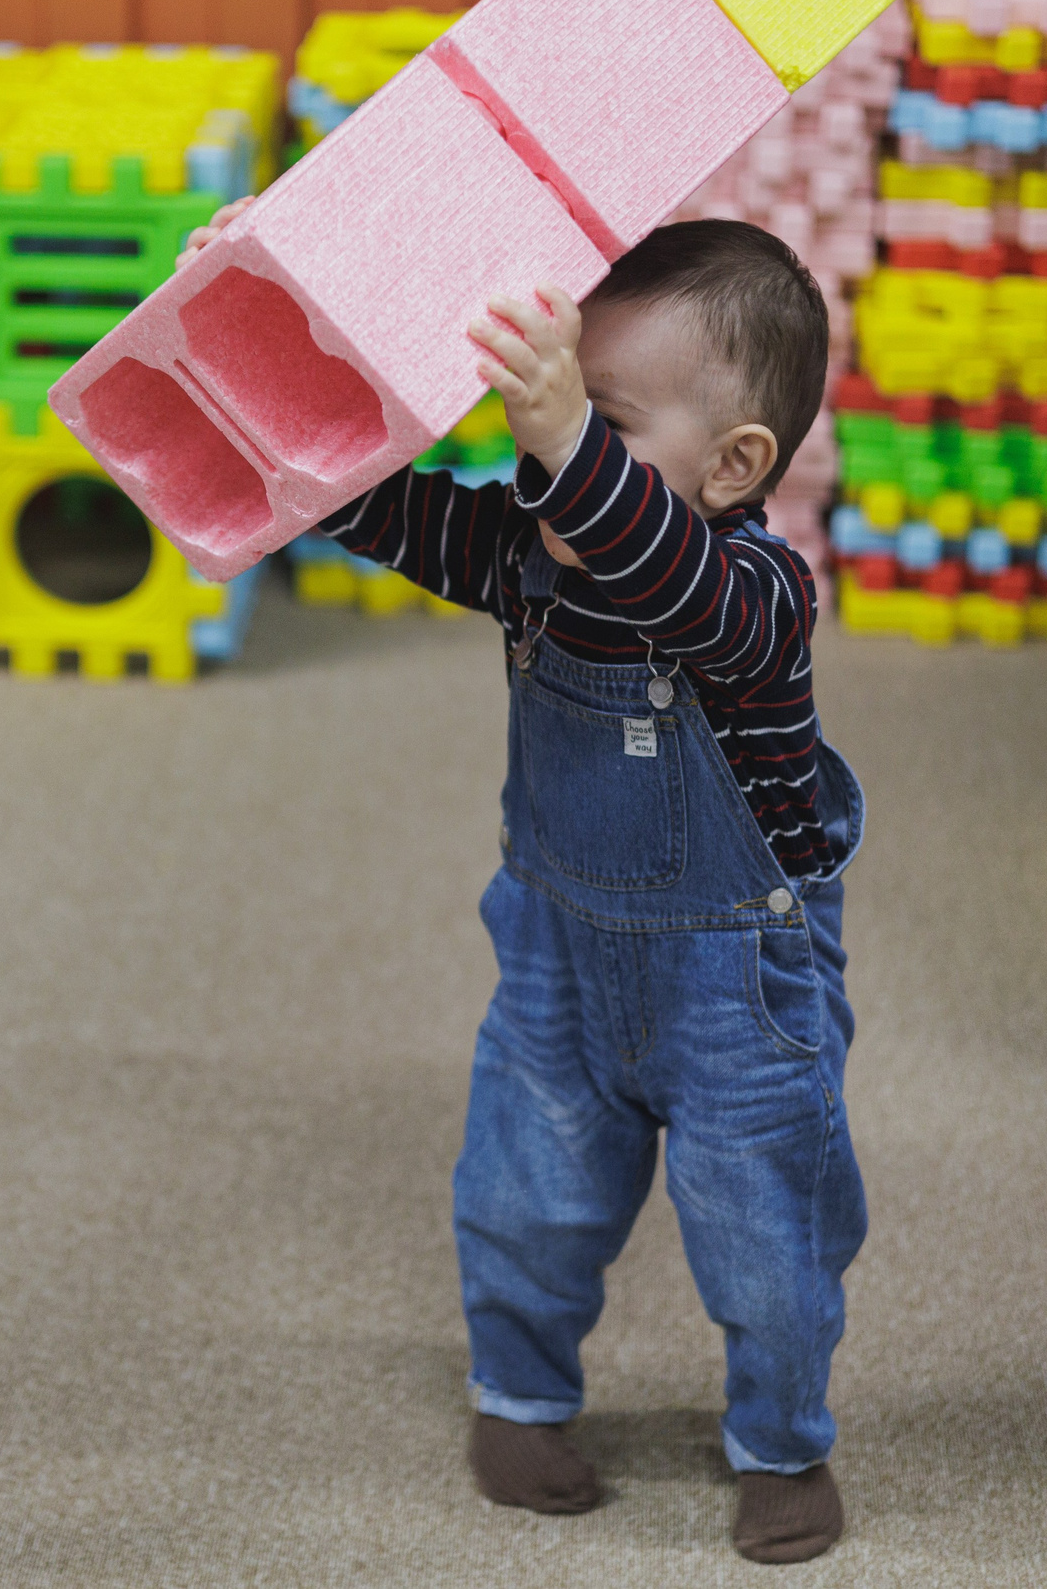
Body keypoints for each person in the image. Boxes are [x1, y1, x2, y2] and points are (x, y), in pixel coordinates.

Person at [184, 210, 867, 1565]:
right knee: (521, 1192)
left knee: (771, 1240)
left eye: (599, 426)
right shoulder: (526, 552)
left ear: (735, 467)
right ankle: (517, 1394)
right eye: (532, 422)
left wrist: (565, 446)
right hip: (558, 954)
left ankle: (783, 1441)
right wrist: (245, 328)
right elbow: (356, 494)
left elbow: (666, 580)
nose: (543, 463)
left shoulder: (754, 590)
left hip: (741, 991)